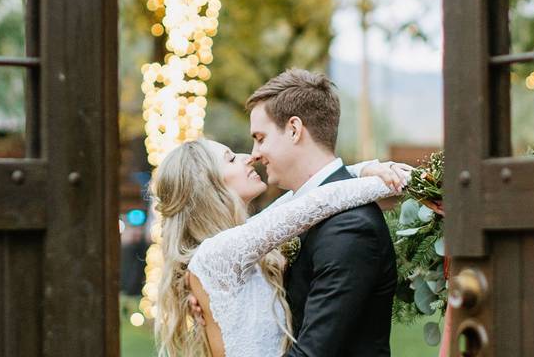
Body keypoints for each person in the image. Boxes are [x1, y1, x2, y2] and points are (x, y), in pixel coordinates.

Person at [153, 138, 407, 357]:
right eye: (230, 159)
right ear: (208, 186)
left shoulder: (234, 243)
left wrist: (366, 168)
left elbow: (303, 195)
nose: (248, 157)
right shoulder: (217, 253)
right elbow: (316, 203)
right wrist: (404, 180)